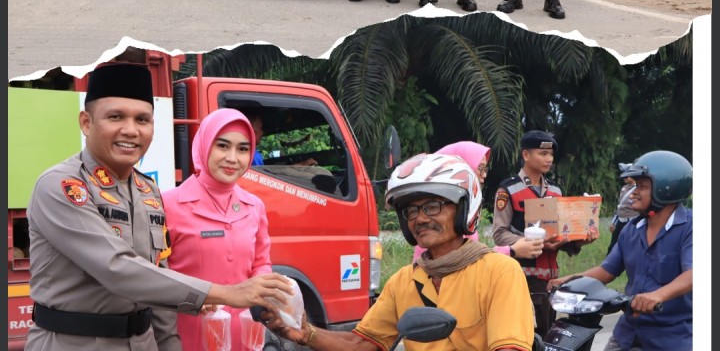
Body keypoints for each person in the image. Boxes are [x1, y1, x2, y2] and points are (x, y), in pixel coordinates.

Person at [24, 61, 294, 350]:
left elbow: (158, 276)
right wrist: (226, 294)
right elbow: (117, 269)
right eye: (115, 117)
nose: (130, 130)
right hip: (73, 342)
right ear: (86, 123)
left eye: (142, 120)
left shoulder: (148, 191)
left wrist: (169, 344)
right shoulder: (61, 186)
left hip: (143, 341)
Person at [265, 152, 535, 350]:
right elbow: (360, 344)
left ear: (464, 208)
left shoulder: (499, 272)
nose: (419, 218)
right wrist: (306, 333)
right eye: (411, 210)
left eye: (432, 206)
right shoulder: (404, 282)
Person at [550, 150, 693, 351]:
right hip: (629, 330)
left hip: (673, 335)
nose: (633, 192)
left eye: (642, 186)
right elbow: (608, 270)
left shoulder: (691, 227)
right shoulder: (631, 229)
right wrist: (572, 279)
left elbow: (694, 273)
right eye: (634, 185)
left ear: (667, 188)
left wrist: (658, 296)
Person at [163, 108, 272, 350]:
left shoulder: (255, 206)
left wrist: (265, 284)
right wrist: (194, 298)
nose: (233, 158)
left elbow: (261, 261)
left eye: (243, 149)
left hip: (244, 334)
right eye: (222, 146)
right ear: (204, 145)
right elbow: (155, 274)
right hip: (187, 335)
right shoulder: (168, 204)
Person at [492, 130, 597, 337]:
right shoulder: (508, 189)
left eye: (550, 155)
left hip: (551, 281)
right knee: (525, 337)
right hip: (522, 278)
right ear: (525, 155)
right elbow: (500, 233)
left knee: (548, 336)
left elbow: (561, 235)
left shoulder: (555, 192)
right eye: (542, 154)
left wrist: (581, 239)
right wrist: (532, 242)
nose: (548, 159)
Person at [412, 141, 543, 263]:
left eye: (485, 169)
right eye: (480, 168)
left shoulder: (462, 210)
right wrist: (511, 250)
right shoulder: (445, 212)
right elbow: (463, 258)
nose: (484, 175)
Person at [606, 164, 640, 256]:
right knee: (613, 244)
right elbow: (620, 206)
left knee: (632, 244)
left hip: (632, 221)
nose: (624, 177)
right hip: (621, 220)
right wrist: (614, 222)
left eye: (627, 174)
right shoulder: (624, 188)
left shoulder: (638, 188)